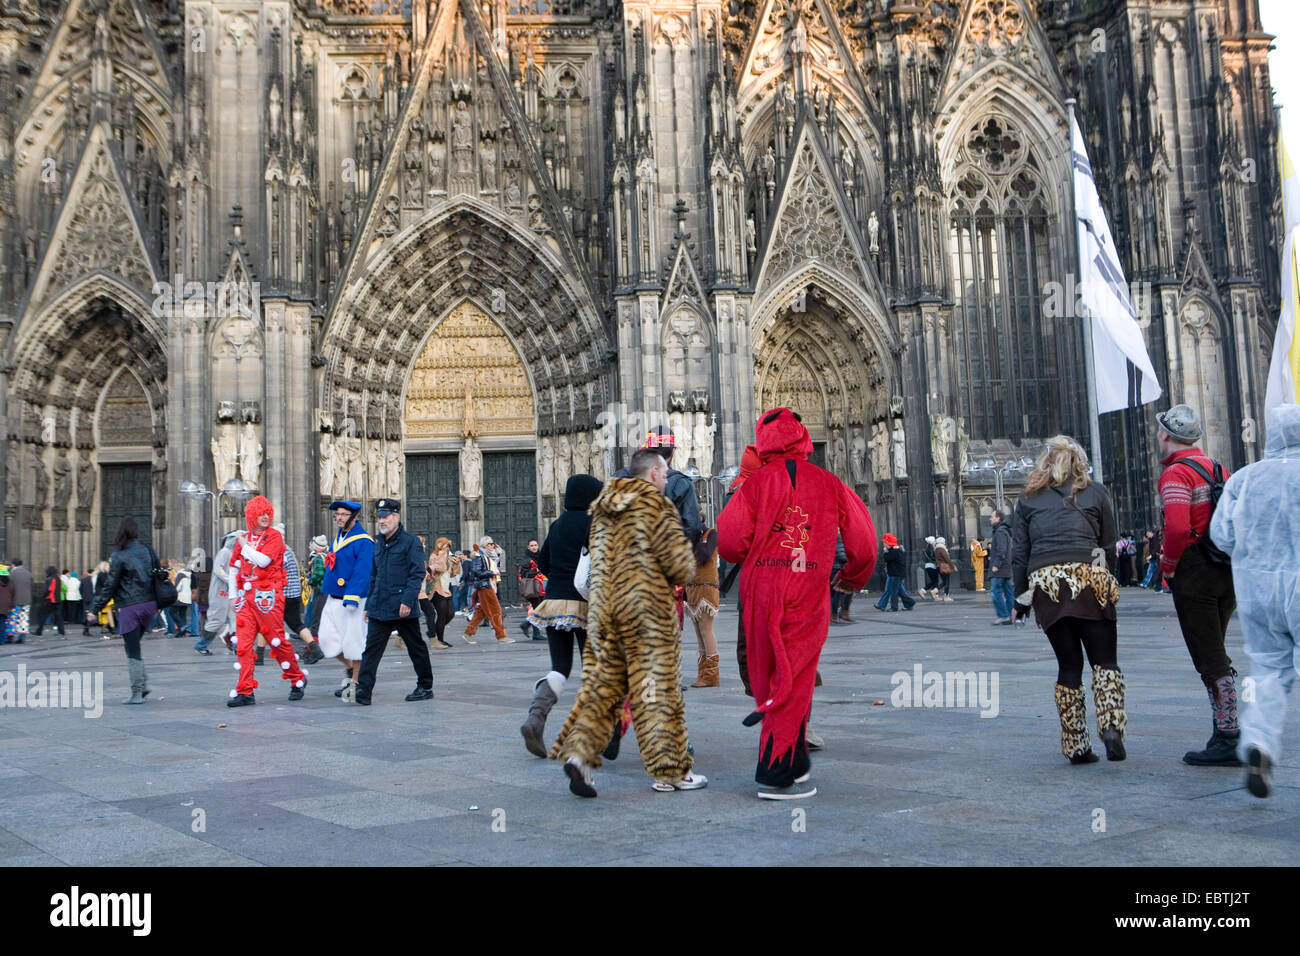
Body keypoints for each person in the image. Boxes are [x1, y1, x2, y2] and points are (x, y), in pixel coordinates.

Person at [718, 407, 877, 799]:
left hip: (761, 587)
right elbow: (865, 543)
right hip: (807, 586)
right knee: (798, 671)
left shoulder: (754, 485)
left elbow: (729, 541)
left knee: (769, 667)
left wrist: (759, 550)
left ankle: (794, 756)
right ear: (804, 439)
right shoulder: (829, 482)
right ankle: (776, 772)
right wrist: (852, 578)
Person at [550, 450, 705, 796]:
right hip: (646, 619)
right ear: (651, 474)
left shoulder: (604, 512)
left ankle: (580, 759)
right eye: (664, 474)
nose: (666, 480)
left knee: (602, 693)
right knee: (657, 695)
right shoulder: (657, 508)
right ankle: (671, 772)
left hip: (605, 617)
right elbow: (680, 566)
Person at [1009, 436, 1125, 764]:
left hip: (1047, 585)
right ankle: (1112, 726)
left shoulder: (1028, 499)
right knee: (1105, 661)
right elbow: (1108, 545)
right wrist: (1105, 581)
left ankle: (1076, 745)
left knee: (1069, 665)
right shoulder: (1097, 492)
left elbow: (1020, 554)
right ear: (1079, 461)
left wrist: (1021, 600)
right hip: (1089, 576)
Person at [1209, 403, 1300, 798]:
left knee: (1268, 672)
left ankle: (1259, 745)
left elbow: (1221, 536)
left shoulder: (1244, 480)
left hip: (1257, 593)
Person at [1156, 403, 1240, 766]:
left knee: (1209, 655)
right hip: (1225, 567)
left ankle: (1229, 735)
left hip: (1194, 570)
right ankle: (1225, 729)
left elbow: (1176, 528)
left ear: (1166, 435)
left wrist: (1168, 566)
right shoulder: (1219, 468)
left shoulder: (1176, 475)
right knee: (1216, 648)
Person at [521, 474, 602, 756]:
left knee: (560, 668)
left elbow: (542, 561)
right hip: (585, 604)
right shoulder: (594, 524)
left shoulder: (557, 525)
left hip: (554, 604)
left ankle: (536, 718)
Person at [227, 496, 308, 707]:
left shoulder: (274, 537)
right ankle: (245, 690)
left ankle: (297, 677)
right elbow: (233, 567)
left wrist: (245, 547)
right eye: (260, 513)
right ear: (252, 515)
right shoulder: (244, 538)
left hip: (268, 598)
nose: (264, 517)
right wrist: (233, 595)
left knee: (276, 641)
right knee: (243, 646)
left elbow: (263, 561)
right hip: (245, 599)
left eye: (267, 513)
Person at [355, 499, 434, 706]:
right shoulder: (378, 542)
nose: (381, 521)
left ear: (396, 517)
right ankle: (363, 691)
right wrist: (369, 605)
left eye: (385, 516)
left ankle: (425, 686)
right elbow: (374, 575)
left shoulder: (410, 542)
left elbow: (417, 573)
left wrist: (408, 600)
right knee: (371, 650)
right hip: (380, 605)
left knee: (416, 647)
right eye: (379, 517)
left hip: (402, 606)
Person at [87, 517, 159, 704]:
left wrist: (94, 609)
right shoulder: (148, 551)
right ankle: (142, 685)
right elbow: (158, 575)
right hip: (149, 605)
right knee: (134, 645)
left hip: (129, 607)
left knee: (132, 649)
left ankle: (137, 692)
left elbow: (110, 586)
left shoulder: (118, 556)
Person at [319, 499, 374, 702]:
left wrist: (353, 596)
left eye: (343, 514)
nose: (339, 518)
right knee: (326, 640)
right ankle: (351, 669)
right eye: (337, 515)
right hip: (333, 597)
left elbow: (363, 571)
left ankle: (356, 682)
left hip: (353, 600)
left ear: (353, 517)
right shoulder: (339, 537)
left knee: (354, 643)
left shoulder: (364, 541)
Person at [684, 510, 721, 686]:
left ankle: (711, 674)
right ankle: (703, 672)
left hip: (706, 588)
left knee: (706, 630)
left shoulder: (710, 534)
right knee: (699, 633)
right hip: (691, 589)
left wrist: (698, 536)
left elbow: (705, 555)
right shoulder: (687, 539)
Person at [463, 536, 511, 643]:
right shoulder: (479, 556)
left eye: (492, 543)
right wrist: (491, 573)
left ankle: (468, 633)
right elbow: (477, 572)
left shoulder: (492, 556)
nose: (492, 546)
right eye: (489, 544)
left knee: (481, 612)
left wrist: (499, 554)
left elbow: (499, 567)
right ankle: (501, 636)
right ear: (484, 545)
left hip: (492, 585)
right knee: (496, 610)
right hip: (485, 585)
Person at [198, 532, 239, 655]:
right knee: (217, 620)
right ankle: (201, 645)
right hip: (220, 592)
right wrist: (230, 579)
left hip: (231, 592)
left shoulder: (235, 554)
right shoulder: (224, 552)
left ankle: (238, 646)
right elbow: (218, 569)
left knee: (235, 620)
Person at [422, 538, 456, 649]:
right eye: (446, 546)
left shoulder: (447, 558)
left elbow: (452, 574)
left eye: (448, 547)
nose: (447, 549)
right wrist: (443, 554)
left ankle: (434, 632)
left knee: (450, 614)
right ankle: (439, 639)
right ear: (440, 546)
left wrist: (456, 564)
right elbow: (439, 568)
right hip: (437, 590)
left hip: (446, 590)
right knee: (441, 615)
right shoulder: (434, 556)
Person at [874, 534, 916, 611]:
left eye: (885, 543)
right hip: (894, 574)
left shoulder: (894, 552)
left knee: (894, 591)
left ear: (890, 544)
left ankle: (894, 607)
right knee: (899, 591)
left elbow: (887, 559)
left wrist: (885, 552)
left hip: (895, 574)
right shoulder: (896, 551)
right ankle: (909, 604)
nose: (884, 545)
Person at [988, 510, 1014, 625]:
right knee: (1009, 592)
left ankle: (1003, 616)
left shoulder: (1000, 532)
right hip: (1006, 567)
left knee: (995, 592)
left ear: (998, 518)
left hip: (1000, 568)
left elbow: (1002, 550)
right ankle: (1012, 616)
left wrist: (996, 565)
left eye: (992, 517)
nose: (990, 519)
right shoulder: (1003, 531)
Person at [518, 540, 545, 641]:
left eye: (536, 545)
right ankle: (532, 630)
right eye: (532, 546)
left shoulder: (539, 557)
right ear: (528, 547)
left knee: (539, 610)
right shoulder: (527, 559)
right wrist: (536, 571)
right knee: (538, 610)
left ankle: (530, 628)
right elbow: (524, 574)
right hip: (533, 588)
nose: (534, 547)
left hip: (540, 587)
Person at [35, 566, 63, 636]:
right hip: (58, 600)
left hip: (50, 600)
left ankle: (39, 631)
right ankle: (61, 631)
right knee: (58, 617)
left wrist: (43, 597)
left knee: (42, 616)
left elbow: (49, 590)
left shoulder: (50, 579)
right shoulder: (58, 578)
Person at [8, 560, 32, 640]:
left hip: (15, 600)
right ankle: (22, 637)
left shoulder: (12, 573)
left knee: (13, 618)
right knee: (23, 618)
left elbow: (9, 587)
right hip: (27, 600)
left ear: (13, 564)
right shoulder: (28, 573)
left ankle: (10, 637)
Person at [933, 537, 955, 602]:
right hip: (944, 566)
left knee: (945, 581)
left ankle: (935, 590)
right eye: (944, 541)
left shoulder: (936, 549)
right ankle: (946, 596)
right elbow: (946, 558)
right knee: (947, 581)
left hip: (939, 566)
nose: (945, 542)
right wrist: (952, 565)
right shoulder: (941, 549)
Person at [0, 565, 14, 643]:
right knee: (3, 623)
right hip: (6, 606)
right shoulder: (10, 583)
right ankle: (2, 640)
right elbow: (12, 593)